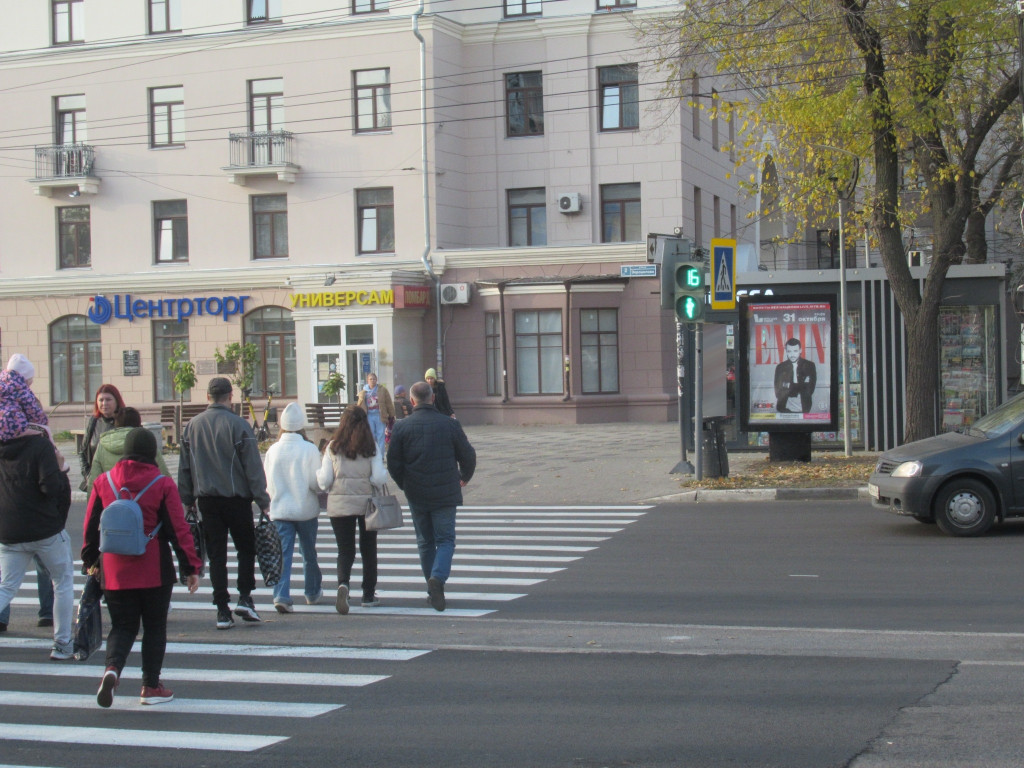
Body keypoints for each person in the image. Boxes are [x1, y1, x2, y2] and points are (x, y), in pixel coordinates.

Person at [82, 427, 202, 707]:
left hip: (114, 570)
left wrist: (90, 561)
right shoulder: (162, 484)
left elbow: (90, 527)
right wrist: (190, 567)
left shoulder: (103, 481)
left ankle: (112, 670)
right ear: (152, 453)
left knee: (122, 626)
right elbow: (178, 530)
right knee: (155, 627)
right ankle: (150, 686)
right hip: (153, 568)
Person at [177, 377, 270, 630]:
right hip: (238, 500)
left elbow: (184, 468)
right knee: (246, 550)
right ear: (230, 396)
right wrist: (262, 499)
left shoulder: (192, 426)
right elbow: (253, 468)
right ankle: (245, 598)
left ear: (208, 397)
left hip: (207, 501)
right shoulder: (239, 425)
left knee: (217, 555)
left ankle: (222, 609)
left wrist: (187, 499)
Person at [387, 381, 475, 612]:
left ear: (412, 401)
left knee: (425, 542)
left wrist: (404, 484)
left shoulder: (402, 427)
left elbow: (393, 463)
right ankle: (438, 578)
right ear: (432, 398)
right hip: (445, 492)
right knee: (445, 540)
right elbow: (468, 454)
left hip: (416, 492)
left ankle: (432, 588)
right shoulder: (449, 424)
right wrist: (464, 476)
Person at [0, 429, 74, 659]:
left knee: (6, 586)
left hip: (9, 532)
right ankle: (62, 643)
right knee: (62, 582)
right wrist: (61, 470)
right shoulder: (40, 446)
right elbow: (51, 488)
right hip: (45, 529)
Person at [317, 405, 388, 613]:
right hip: (367, 505)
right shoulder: (370, 446)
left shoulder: (332, 447)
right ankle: (368, 594)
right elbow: (378, 477)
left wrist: (319, 477)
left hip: (339, 505)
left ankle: (343, 585)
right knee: (369, 549)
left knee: (345, 549)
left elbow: (325, 481)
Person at [263, 403, 323, 613]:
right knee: (308, 553)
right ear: (301, 425)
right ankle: (312, 592)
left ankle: (281, 594)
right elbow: (316, 483)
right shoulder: (309, 449)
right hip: (305, 509)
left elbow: (268, 482)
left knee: (282, 554)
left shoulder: (273, 450)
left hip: (280, 509)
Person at [0, 354, 68, 471]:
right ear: (24, 377)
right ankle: (58, 461)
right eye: (31, 379)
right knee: (44, 430)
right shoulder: (21, 388)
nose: (31, 382)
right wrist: (43, 421)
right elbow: (34, 412)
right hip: (14, 427)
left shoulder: (3, 384)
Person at [86, 407, 170, 488]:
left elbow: (94, 480)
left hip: (111, 496)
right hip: (144, 495)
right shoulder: (146, 441)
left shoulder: (103, 444)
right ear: (138, 423)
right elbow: (164, 475)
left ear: (116, 424)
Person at [80, 384, 126, 491]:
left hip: (120, 484)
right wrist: (88, 475)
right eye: (101, 400)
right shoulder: (94, 421)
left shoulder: (126, 420)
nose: (104, 403)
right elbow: (82, 452)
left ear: (117, 401)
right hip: (96, 483)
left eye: (108, 399)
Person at [356, 372, 395, 458]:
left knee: (381, 435)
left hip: (380, 415)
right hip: (369, 415)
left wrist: (391, 415)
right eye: (370, 379)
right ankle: (373, 454)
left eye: (374, 379)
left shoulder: (382, 390)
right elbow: (360, 404)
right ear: (367, 380)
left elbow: (388, 402)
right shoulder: (364, 392)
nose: (372, 381)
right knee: (371, 435)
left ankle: (380, 456)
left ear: (376, 380)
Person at [774, 338, 817, 413]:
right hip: (784, 408)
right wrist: (800, 387)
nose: (792, 355)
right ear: (786, 351)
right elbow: (778, 391)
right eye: (789, 351)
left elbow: (810, 389)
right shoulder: (780, 367)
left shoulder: (809, 365)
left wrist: (788, 387)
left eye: (795, 351)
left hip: (804, 407)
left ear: (800, 350)